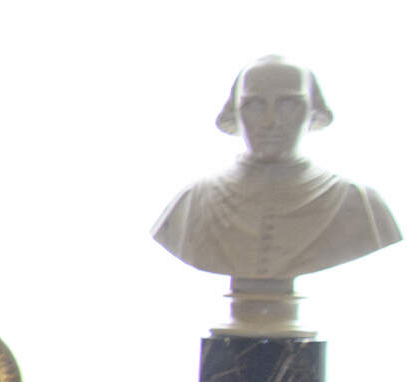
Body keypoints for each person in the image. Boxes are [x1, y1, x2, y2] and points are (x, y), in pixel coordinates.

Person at [152, 55, 399, 284]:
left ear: (313, 112)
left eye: (288, 104)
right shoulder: (191, 203)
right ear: (235, 111)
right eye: (254, 105)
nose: (270, 121)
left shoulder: (361, 204)